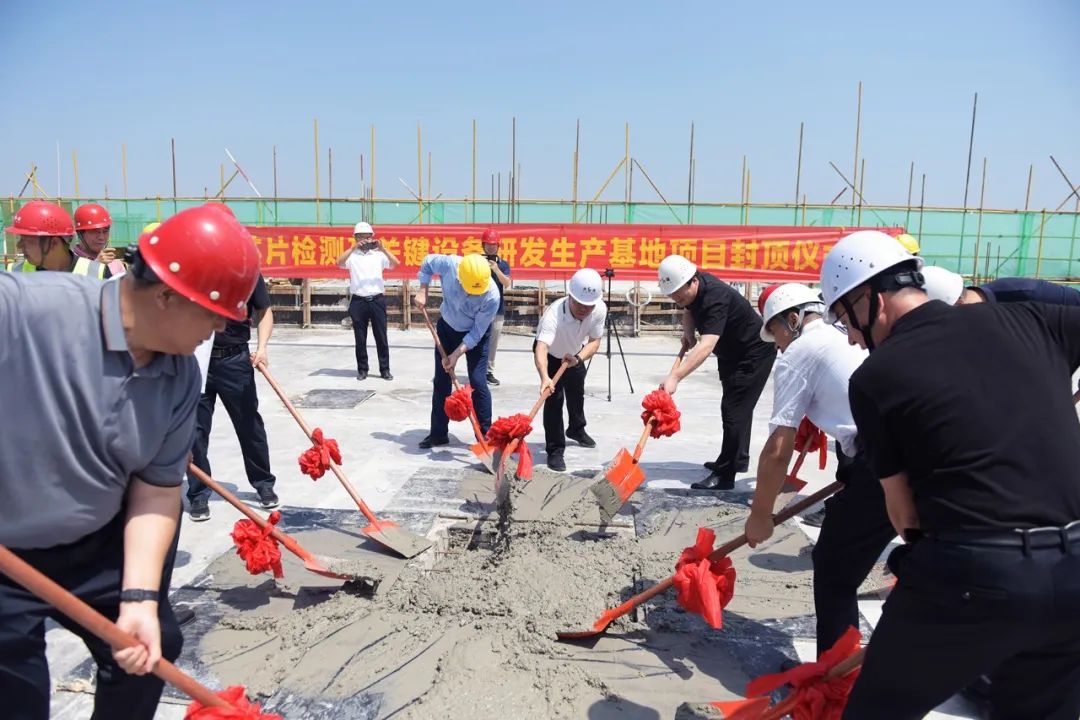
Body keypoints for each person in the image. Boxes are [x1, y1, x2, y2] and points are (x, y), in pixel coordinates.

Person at [0, 204, 260, 719]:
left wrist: (139, 597)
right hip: (7, 556)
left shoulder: (180, 377)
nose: (218, 328)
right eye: (213, 314)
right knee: (18, 696)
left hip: (95, 546)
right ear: (166, 296)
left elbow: (157, 488)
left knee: (149, 650)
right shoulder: (25, 311)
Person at [818, 230, 1080, 719]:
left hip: (973, 577)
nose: (850, 337)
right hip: (1072, 576)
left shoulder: (875, 377)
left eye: (845, 319)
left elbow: (905, 516)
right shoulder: (1034, 319)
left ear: (869, 299)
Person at [742, 282, 895, 657]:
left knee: (833, 568)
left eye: (776, 334)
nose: (778, 346)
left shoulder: (800, 352)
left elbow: (777, 451)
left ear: (793, 320)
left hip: (880, 460)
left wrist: (760, 514)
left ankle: (834, 674)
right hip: (901, 450)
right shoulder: (843, 334)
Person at [657, 254, 777, 490]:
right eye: (672, 296)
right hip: (732, 352)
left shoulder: (715, 297)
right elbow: (688, 308)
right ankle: (736, 459)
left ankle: (725, 474)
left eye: (679, 294)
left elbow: (707, 345)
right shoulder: (692, 288)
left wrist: (675, 377)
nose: (677, 299)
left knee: (734, 411)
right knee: (737, 408)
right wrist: (688, 333)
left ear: (693, 281)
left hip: (753, 353)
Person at [186, 273, 279, 521]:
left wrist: (262, 347)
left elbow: (264, 310)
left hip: (235, 359)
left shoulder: (246, 271)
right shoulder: (191, 269)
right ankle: (198, 493)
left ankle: (263, 482)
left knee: (249, 425)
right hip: (196, 359)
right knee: (194, 431)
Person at [414, 253, 500, 449]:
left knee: (478, 381)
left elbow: (477, 332)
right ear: (460, 277)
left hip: (475, 335)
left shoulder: (492, 296)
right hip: (447, 328)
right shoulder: (451, 264)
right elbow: (427, 263)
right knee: (441, 381)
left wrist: (455, 354)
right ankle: (438, 434)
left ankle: (486, 439)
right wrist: (423, 289)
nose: (474, 295)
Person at [534, 269, 606, 472]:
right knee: (554, 400)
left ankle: (576, 429)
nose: (584, 309)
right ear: (570, 296)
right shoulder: (554, 314)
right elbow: (541, 347)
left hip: (575, 354)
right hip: (551, 355)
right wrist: (545, 377)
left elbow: (595, 341)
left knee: (576, 391)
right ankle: (555, 450)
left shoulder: (599, 309)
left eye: (589, 305)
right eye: (579, 303)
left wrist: (578, 358)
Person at [337, 221, 399, 381]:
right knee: (360, 337)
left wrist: (383, 249)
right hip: (358, 301)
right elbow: (339, 262)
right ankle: (362, 369)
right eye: (361, 237)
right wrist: (353, 248)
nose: (365, 240)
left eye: (368, 237)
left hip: (377, 300)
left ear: (373, 237)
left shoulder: (378, 255)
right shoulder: (352, 256)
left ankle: (385, 370)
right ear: (356, 238)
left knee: (381, 336)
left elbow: (396, 263)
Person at [5, 200, 110, 278]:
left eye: (27, 240)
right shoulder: (13, 273)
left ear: (54, 243)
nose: (18, 245)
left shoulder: (98, 274)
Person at [481, 228, 512, 386]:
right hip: (480, 309)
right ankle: (477, 370)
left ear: (498, 246)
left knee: (493, 343)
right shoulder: (477, 262)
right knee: (478, 340)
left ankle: (489, 371)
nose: (491, 247)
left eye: (493, 244)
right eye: (488, 244)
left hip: (497, 310)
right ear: (483, 245)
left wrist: (496, 269)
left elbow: (507, 283)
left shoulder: (503, 264)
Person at [73, 202, 127, 275]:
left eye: (105, 231)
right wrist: (96, 266)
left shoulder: (115, 264)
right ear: (80, 233)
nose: (101, 237)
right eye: (95, 231)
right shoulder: (69, 261)